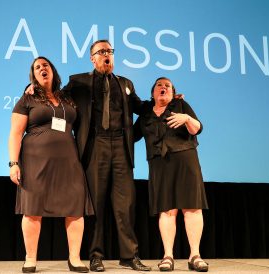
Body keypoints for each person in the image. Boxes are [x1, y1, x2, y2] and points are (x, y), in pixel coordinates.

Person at [62, 40, 151, 272]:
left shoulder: (125, 83)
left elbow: (140, 107)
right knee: (97, 203)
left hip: (121, 145)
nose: (107, 55)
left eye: (109, 51)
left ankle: (129, 255)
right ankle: (95, 255)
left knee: (125, 204)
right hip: (95, 143)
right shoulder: (78, 81)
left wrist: (166, 101)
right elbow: (56, 99)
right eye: (101, 52)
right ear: (92, 58)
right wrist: (31, 90)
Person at [8, 56, 94, 273]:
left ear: (52, 70)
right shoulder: (27, 98)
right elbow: (15, 134)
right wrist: (13, 163)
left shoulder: (67, 96)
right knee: (33, 209)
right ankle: (30, 258)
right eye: (37, 67)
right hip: (35, 161)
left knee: (75, 208)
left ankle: (74, 258)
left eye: (45, 65)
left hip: (69, 161)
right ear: (33, 76)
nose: (41, 68)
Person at [134, 77, 209, 272]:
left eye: (167, 85)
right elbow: (131, 136)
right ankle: (168, 256)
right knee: (167, 209)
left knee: (192, 207)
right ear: (152, 92)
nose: (163, 87)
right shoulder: (145, 113)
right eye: (160, 85)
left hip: (185, 160)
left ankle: (195, 255)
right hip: (159, 164)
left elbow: (197, 128)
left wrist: (186, 118)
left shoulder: (181, 104)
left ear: (173, 92)